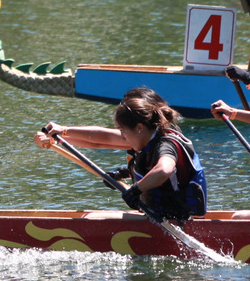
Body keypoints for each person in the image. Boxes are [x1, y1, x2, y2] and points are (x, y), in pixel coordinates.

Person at [35, 93, 208, 221]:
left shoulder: (165, 145)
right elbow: (100, 140)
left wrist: (135, 189)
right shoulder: (147, 135)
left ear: (139, 127)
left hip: (174, 219)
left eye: (123, 131)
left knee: (92, 219)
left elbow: (164, 170)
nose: (121, 136)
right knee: (91, 216)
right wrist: (60, 134)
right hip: (160, 214)